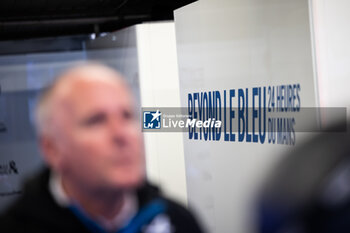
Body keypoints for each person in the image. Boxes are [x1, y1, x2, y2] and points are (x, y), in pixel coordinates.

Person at [0, 63, 204, 233]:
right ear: (52, 149)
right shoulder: (16, 227)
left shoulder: (177, 220)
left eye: (127, 116)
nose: (121, 134)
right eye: (96, 121)